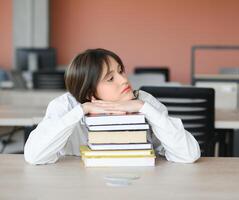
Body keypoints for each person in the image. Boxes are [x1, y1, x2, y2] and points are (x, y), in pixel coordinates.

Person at [24, 48, 201, 165]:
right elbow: (34, 156)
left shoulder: (143, 100)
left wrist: (144, 108)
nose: (124, 79)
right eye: (110, 78)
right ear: (89, 93)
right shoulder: (66, 106)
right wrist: (82, 110)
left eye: (121, 70)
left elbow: (188, 155)